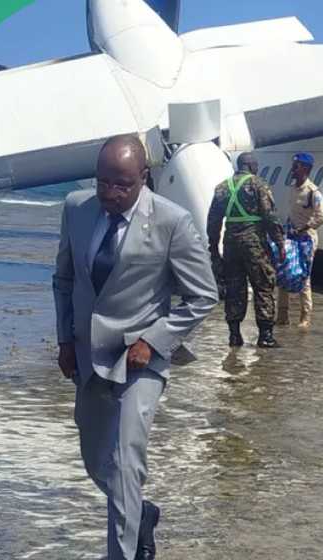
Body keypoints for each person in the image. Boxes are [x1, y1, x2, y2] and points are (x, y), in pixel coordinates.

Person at [53, 134, 218, 560]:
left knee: (127, 458)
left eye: (121, 185)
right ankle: (138, 513)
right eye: (103, 182)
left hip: (140, 358)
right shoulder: (76, 209)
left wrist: (154, 339)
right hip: (88, 352)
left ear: (144, 178)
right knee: (96, 459)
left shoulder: (171, 221)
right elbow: (65, 279)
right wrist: (65, 338)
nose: (109, 193)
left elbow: (202, 296)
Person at [206, 152, 287, 348]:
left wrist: (214, 247)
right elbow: (270, 216)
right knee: (263, 285)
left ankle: (234, 335)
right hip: (254, 244)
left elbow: (213, 221)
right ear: (250, 166)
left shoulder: (222, 188)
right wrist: (280, 242)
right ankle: (265, 335)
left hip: (231, 245)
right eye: (256, 165)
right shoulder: (259, 185)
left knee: (234, 288)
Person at [277, 152, 323, 329]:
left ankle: (305, 317)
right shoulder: (293, 187)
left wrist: (305, 227)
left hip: (306, 239)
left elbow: (322, 217)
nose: (293, 169)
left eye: (296, 166)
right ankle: (282, 316)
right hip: (291, 237)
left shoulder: (313, 192)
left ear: (305, 169)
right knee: (282, 274)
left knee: (303, 276)